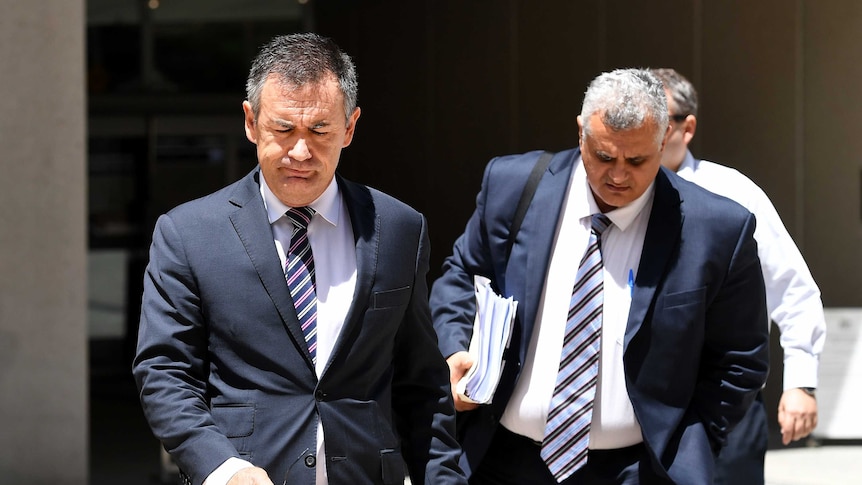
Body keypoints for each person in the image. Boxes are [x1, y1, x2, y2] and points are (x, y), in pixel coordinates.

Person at [132, 33, 466, 485]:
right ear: (251, 123)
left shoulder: (400, 228)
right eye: (284, 129)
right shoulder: (189, 234)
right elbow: (164, 372)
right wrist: (223, 469)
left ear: (350, 128)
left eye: (320, 131)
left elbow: (422, 384)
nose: (300, 152)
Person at [430, 68, 770, 484]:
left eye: (638, 160)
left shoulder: (716, 229)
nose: (618, 175)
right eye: (604, 156)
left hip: (637, 471)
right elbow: (462, 275)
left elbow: (741, 359)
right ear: (580, 133)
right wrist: (453, 349)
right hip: (505, 461)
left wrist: (692, 444)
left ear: (664, 141)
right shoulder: (513, 187)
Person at [651, 67, 826, 485]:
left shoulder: (733, 194)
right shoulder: (614, 196)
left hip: (725, 395)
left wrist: (801, 381)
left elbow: (792, 287)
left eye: (660, 123)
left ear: (686, 127)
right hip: (640, 395)